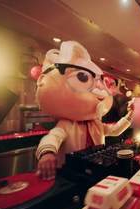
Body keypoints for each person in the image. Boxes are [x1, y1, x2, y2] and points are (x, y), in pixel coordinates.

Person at [34, 41, 134, 181]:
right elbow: (52, 138)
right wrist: (48, 153)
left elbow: (115, 130)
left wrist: (130, 116)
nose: (99, 90)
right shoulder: (67, 125)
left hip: (97, 173)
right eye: (82, 77)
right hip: (73, 176)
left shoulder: (96, 123)